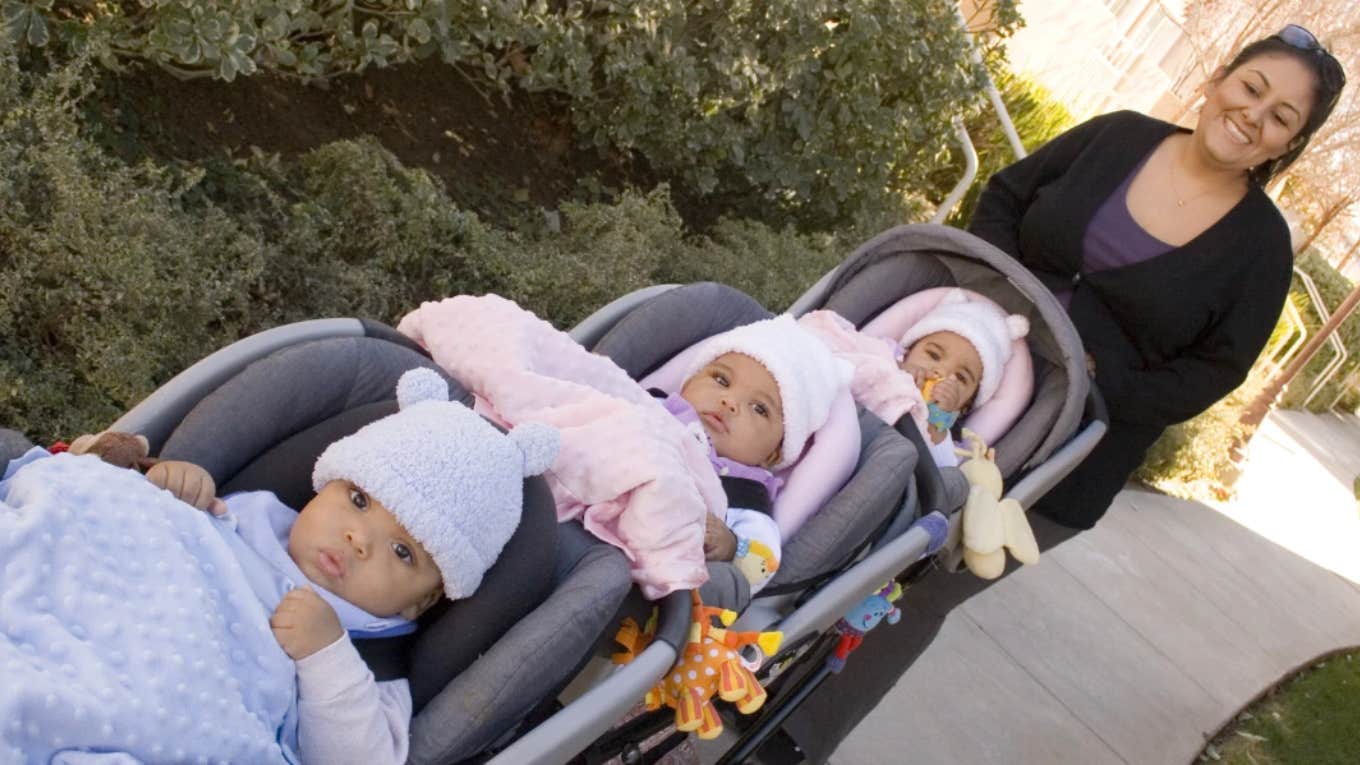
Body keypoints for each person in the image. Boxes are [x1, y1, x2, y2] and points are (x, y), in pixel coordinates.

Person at [781, 25, 1347, 763]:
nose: (1255, 115)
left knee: (923, 586)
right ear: (1220, 78)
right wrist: (995, 302)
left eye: (1282, 118)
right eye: (1252, 88)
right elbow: (1007, 197)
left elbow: (1212, 373)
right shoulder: (1118, 138)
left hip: (1068, 456)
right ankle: (737, 654)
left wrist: (1099, 379)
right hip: (951, 386)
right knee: (827, 509)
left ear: (1285, 146)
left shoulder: (1261, 249)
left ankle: (792, 736)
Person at [7, 368, 558, 764]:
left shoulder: (370, 666)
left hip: (179, 705)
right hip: (91, 607)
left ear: (421, 601)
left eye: (402, 551)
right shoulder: (241, 514)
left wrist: (325, 657)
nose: (358, 538)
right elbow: (141, 533)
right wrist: (167, 483)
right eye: (359, 500)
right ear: (324, 484)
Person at [662, 314, 851, 593]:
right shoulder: (652, 406)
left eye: (759, 409)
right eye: (721, 380)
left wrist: (731, 546)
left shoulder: (745, 496)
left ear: (772, 456)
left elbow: (763, 562)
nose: (730, 401)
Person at [799, 288, 1031, 466]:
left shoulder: (944, 432)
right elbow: (843, 367)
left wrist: (938, 422)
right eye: (933, 354)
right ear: (907, 350)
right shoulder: (881, 357)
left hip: (871, 465)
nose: (941, 372)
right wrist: (892, 377)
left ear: (965, 407)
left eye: (961, 377)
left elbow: (942, 469)